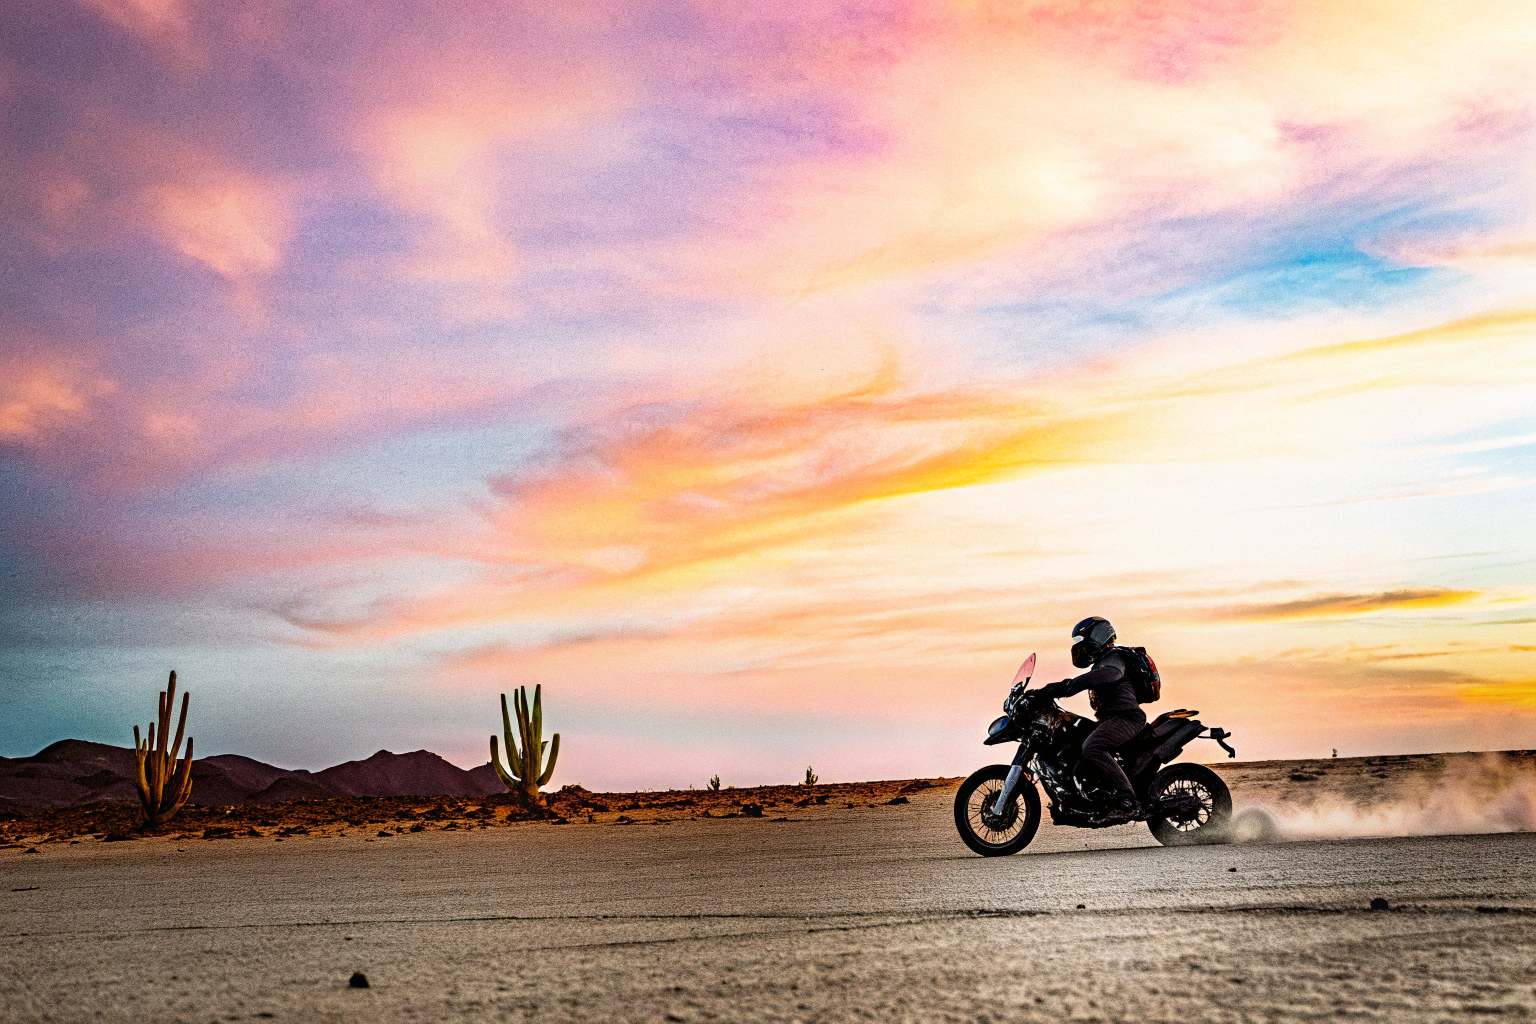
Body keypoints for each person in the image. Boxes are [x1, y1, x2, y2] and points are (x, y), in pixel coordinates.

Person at [1035, 616, 1146, 824]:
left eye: (1080, 641)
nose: (1078, 647)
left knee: (1093, 747)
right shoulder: (1101, 663)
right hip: (1110, 720)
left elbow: (1109, 675)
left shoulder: (1114, 658)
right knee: (1076, 740)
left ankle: (1128, 802)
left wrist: (1060, 688)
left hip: (1127, 718)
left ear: (1095, 637)